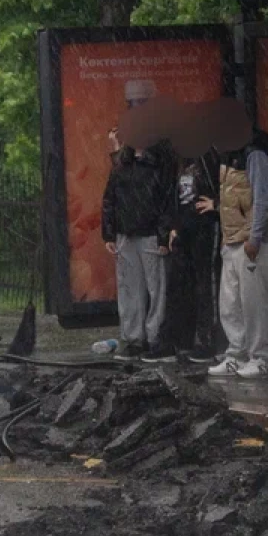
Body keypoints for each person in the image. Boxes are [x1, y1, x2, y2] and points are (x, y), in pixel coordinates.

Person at [208, 110, 268, 380]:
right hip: (233, 239)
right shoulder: (232, 156)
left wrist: (255, 237)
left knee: (253, 302)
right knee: (230, 302)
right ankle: (236, 354)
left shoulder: (255, 155)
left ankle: (260, 357)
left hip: (251, 241)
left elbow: (262, 198)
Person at [101, 129, 176, 362]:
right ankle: (135, 339)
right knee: (131, 289)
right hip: (127, 234)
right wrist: (109, 234)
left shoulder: (158, 163)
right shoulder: (123, 164)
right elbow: (110, 199)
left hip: (148, 233)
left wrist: (163, 235)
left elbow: (166, 201)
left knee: (155, 289)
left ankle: (155, 339)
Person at [163, 139, 222, 365]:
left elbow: (226, 183)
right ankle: (184, 339)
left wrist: (216, 204)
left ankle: (208, 340)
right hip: (185, 228)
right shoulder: (179, 160)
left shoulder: (209, 155)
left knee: (206, 283)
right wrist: (174, 226)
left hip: (204, 226)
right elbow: (174, 197)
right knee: (184, 284)